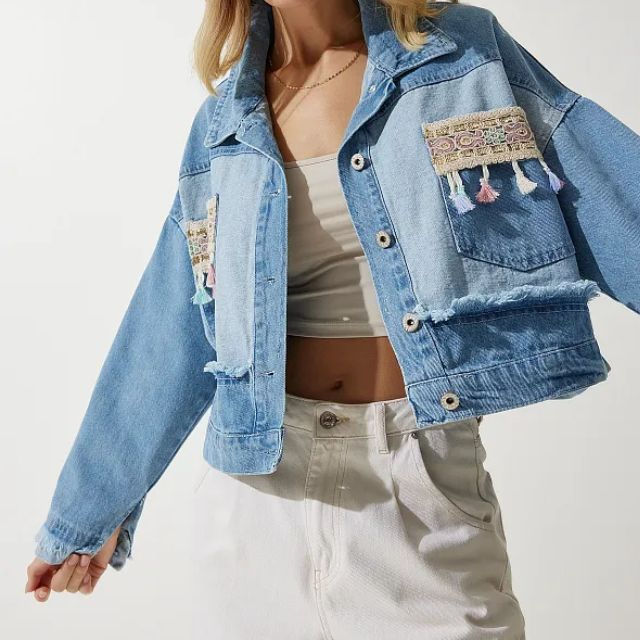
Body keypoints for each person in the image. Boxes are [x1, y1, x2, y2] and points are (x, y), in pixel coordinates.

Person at [26, 0, 639, 637]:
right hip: (255, 502)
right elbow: (169, 321)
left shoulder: (460, 54)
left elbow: (610, 188)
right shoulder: (223, 123)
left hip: (416, 481)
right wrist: (87, 517)